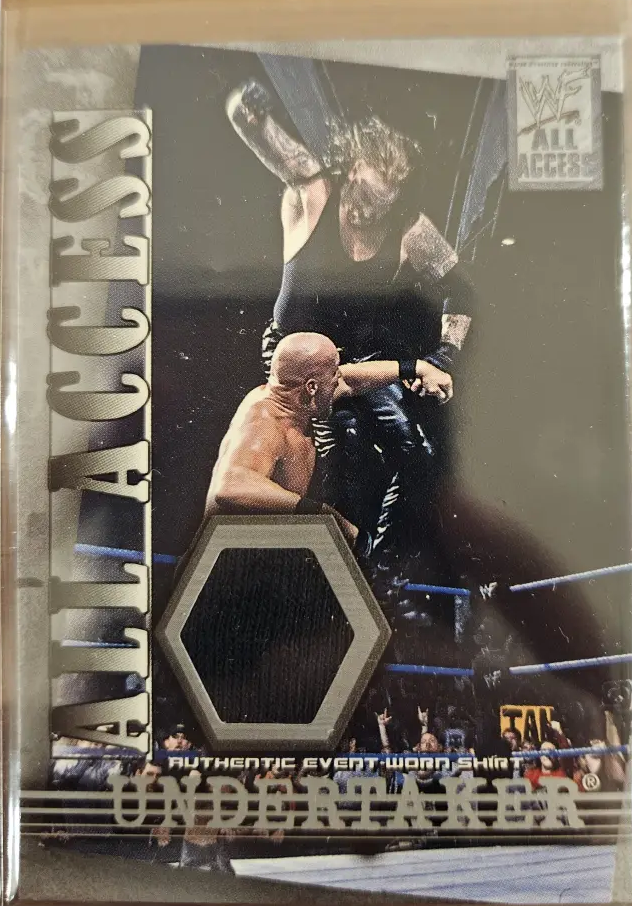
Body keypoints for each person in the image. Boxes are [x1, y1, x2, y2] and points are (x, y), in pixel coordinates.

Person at [225, 82, 473, 559]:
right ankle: (331, 555)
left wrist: (443, 355)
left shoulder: (412, 232)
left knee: (419, 455)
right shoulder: (314, 192)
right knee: (342, 444)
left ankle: (378, 567)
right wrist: (248, 107)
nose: (362, 210)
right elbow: (252, 129)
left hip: (356, 363)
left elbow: (462, 293)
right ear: (353, 169)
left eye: (378, 204)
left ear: (396, 199)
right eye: (360, 193)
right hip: (297, 360)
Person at [202, 330, 452, 550]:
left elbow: (350, 380)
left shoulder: (296, 397)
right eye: (333, 375)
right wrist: (324, 516)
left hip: (262, 554)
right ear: (312, 387)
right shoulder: (265, 422)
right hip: (223, 564)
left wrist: (417, 368)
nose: (338, 380)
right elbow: (230, 487)